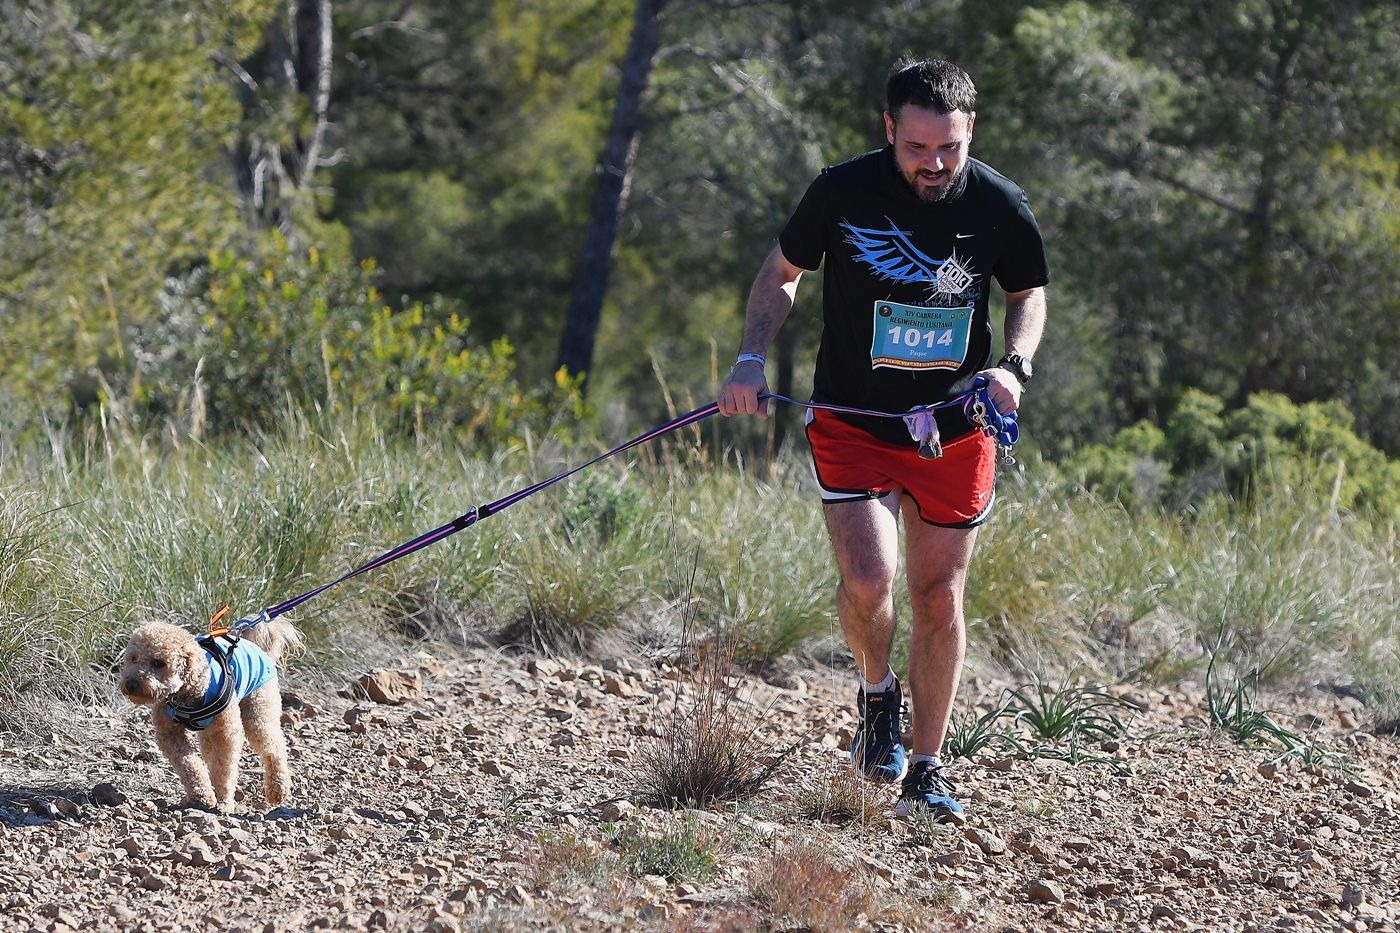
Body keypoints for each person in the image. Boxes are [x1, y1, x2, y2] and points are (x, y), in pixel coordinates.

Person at [717, 57, 1048, 823]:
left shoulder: (1000, 203)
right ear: (890, 129)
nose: (934, 166)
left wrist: (1015, 368)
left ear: (971, 134)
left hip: (956, 429)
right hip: (853, 420)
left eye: (950, 150)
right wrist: (748, 358)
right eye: (918, 148)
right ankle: (876, 690)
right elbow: (783, 270)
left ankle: (926, 768)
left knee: (938, 595)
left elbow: (1027, 292)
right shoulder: (842, 190)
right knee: (869, 582)